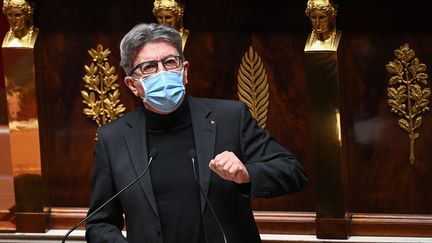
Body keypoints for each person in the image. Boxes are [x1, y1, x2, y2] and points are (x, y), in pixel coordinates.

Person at [85, 23, 308, 243]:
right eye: (149, 67)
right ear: (132, 85)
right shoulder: (113, 139)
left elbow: (293, 172)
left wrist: (246, 174)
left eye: (170, 62)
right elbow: (99, 223)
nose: (162, 72)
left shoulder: (230, 118)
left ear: (185, 71)